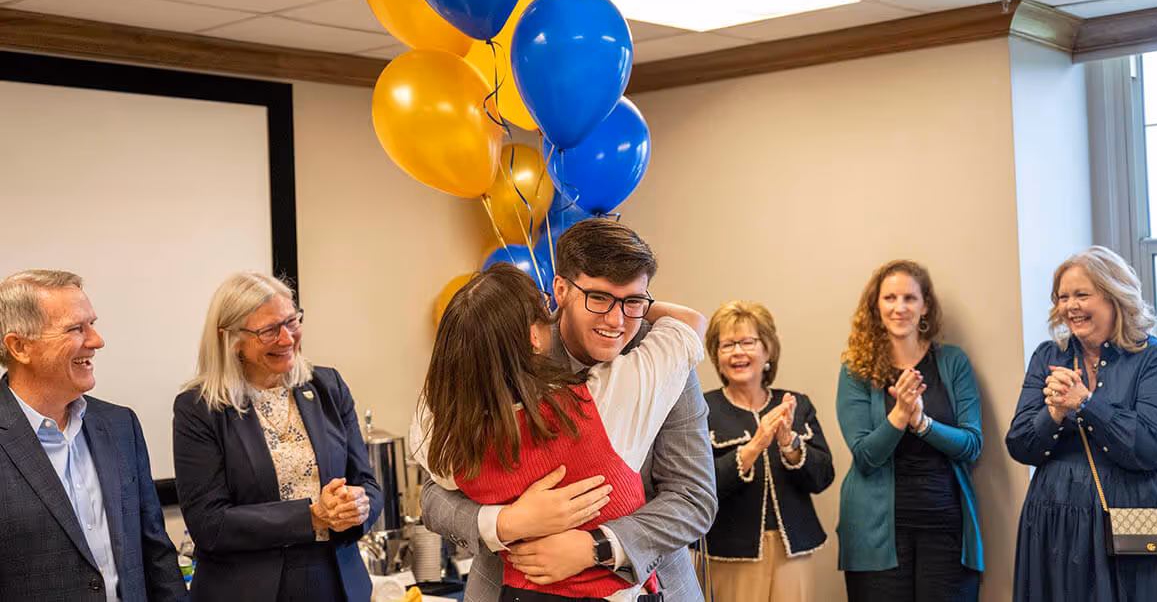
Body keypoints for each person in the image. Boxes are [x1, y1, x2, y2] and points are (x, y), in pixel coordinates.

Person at [419, 218, 718, 602]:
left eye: (633, 301)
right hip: (511, 589)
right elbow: (433, 494)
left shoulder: (663, 361)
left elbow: (693, 495)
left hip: (649, 587)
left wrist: (598, 547)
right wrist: (507, 522)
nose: (617, 320)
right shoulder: (510, 353)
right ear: (560, 289)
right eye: (599, 298)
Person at [172, 272, 381, 602]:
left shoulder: (328, 387)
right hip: (247, 590)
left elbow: (368, 484)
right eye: (269, 330)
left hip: (336, 583)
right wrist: (311, 516)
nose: (287, 339)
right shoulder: (200, 408)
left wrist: (355, 505)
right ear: (230, 339)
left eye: (292, 322)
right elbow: (209, 524)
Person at [1006, 246, 1157, 601]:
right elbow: (1019, 445)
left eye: (1082, 294)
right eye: (1063, 297)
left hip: (1135, 521)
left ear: (1115, 297)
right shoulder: (1048, 356)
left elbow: (1154, 445)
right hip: (1054, 525)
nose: (1069, 306)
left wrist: (1087, 403)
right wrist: (1054, 414)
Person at [0, 269, 186, 601]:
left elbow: (156, 554)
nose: (96, 341)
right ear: (19, 347)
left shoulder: (119, 425)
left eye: (92, 324)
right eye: (76, 328)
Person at [836, 260, 984, 601]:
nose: (899, 308)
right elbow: (865, 456)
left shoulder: (953, 362)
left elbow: (971, 445)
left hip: (947, 527)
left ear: (925, 305)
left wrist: (922, 424)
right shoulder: (855, 371)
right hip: (874, 535)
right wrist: (900, 415)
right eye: (889, 298)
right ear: (876, 306)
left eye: (909, 298)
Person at [701, 300, 834, 602]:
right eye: (727, 345)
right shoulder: (703, 410)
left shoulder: (796, 405)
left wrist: (789, 444)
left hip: (793, 550)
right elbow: (700, 487)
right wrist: (754, 446)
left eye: (748, 342)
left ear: (768, 350)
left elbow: (823, 477)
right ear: (716, 355)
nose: (738, 352)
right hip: (730, 553)